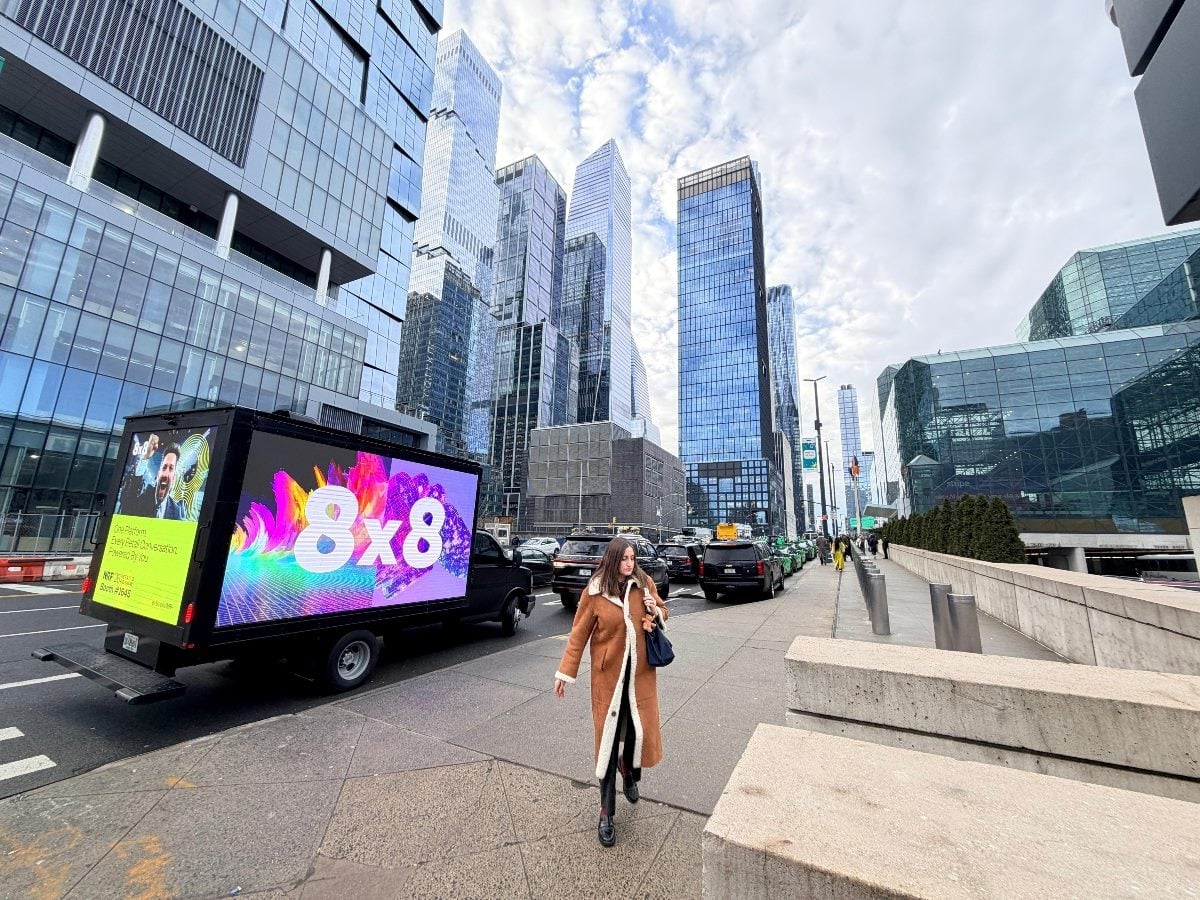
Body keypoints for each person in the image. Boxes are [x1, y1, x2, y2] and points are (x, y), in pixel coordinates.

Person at [554, 536, 668, 848]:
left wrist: (653, 610)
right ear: (612, 559)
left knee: (635, 734)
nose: (630, 564)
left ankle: (629, 773)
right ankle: (606, 813)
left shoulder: (643, 582)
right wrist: (566, 671)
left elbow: (663, 611)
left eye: (633, 558)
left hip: (641, 677)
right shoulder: (596, 590)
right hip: (609, 680)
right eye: (625, 559)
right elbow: (578, 633)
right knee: (607, 744)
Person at [121, 444, 185, 520]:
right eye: (164, 468)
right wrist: (146, 456)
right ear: (158, 474)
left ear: (174, 478)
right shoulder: (142, 499)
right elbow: (127, 508)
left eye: (171, 468)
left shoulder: (176, 512)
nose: (165, 474)